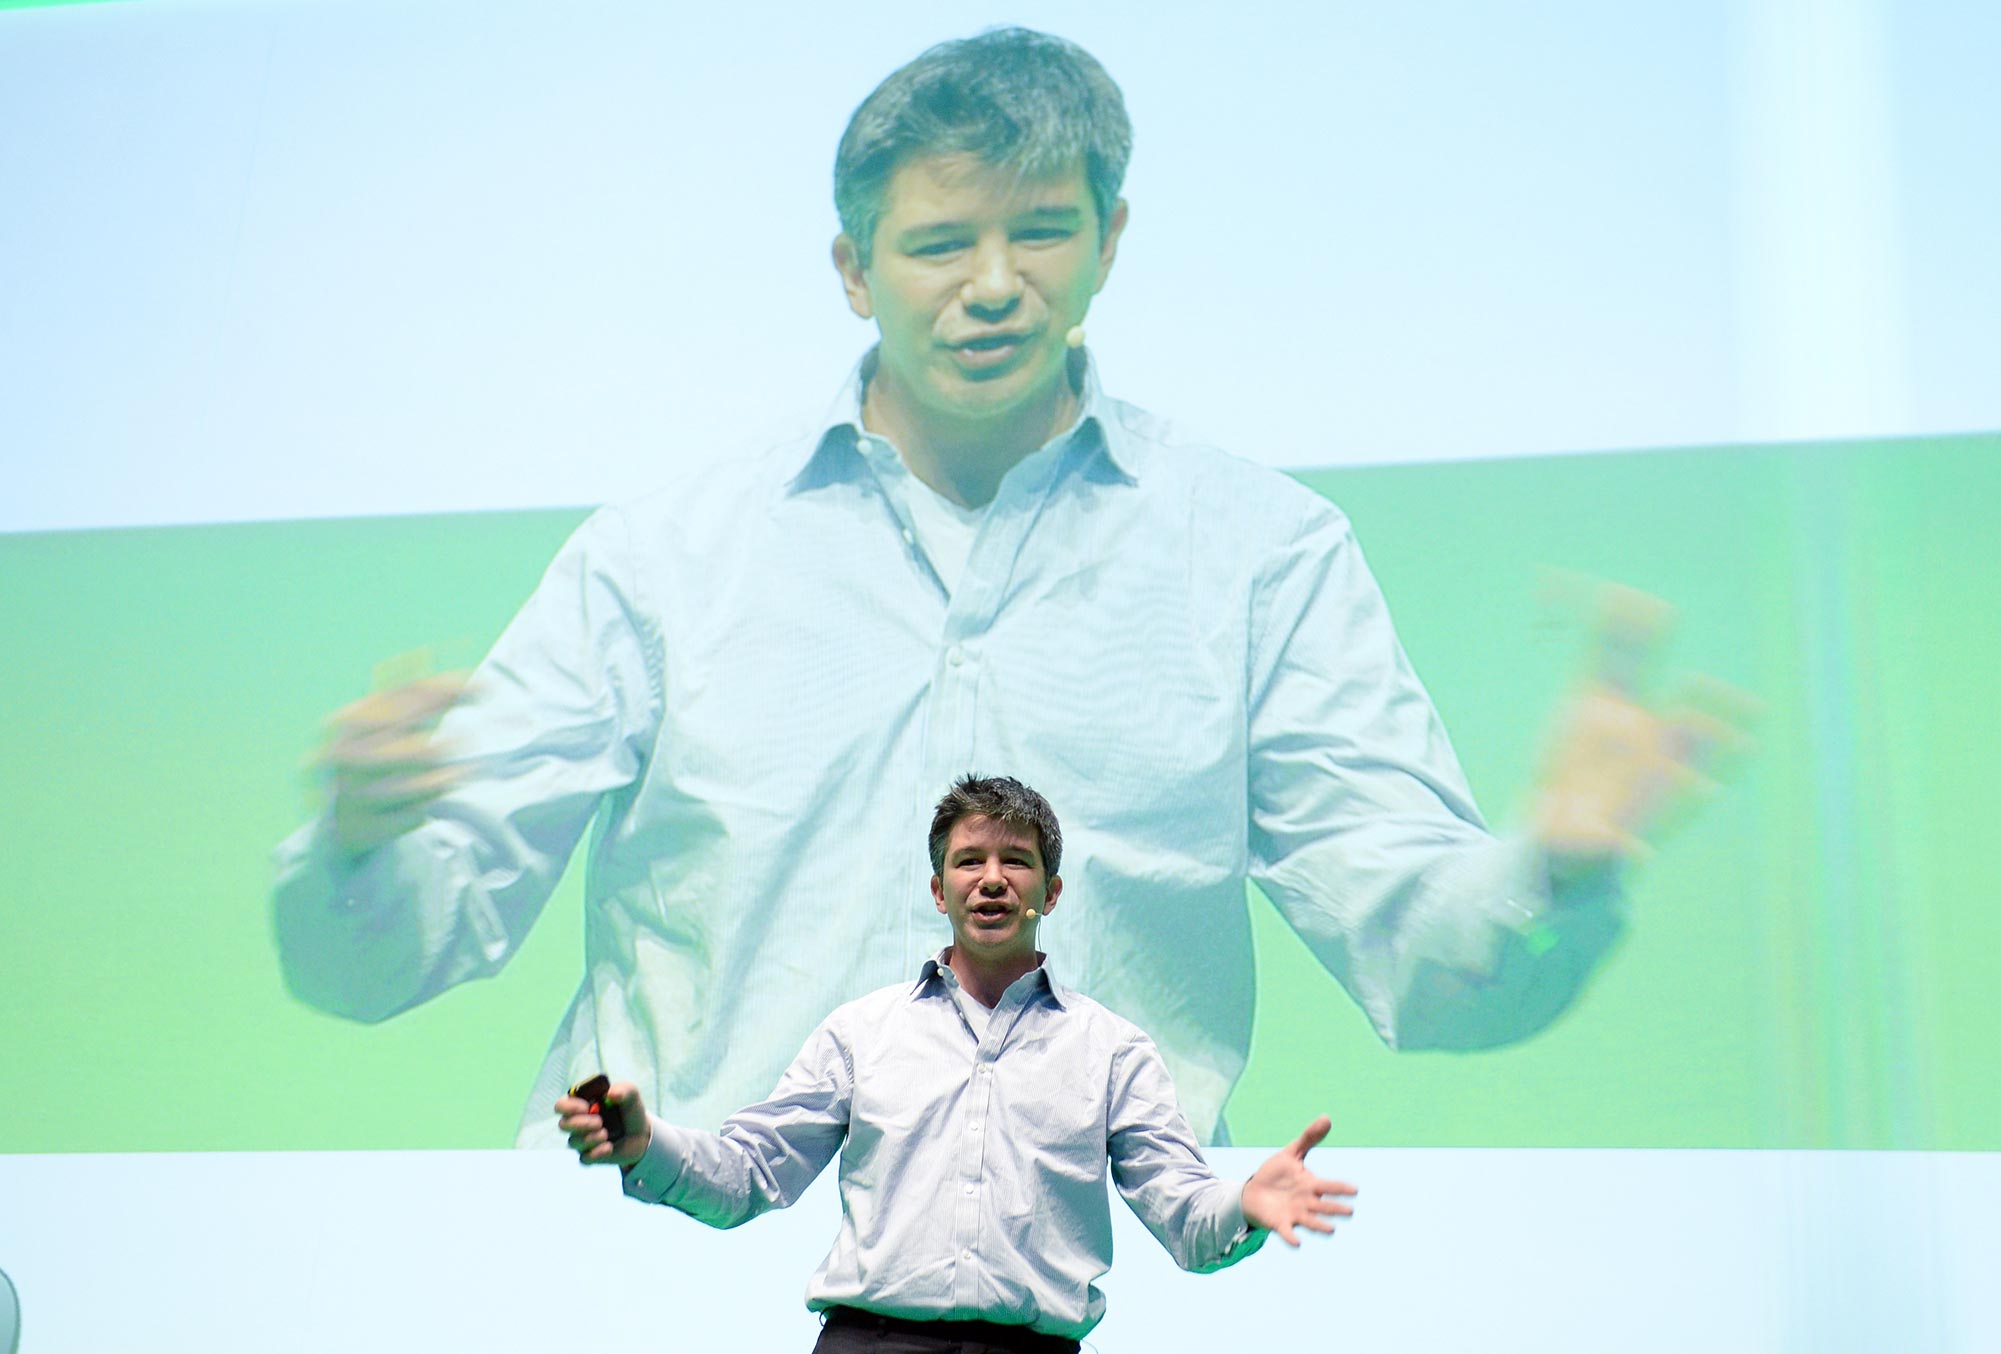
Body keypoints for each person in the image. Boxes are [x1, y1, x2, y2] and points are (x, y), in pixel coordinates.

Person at [273, 27, 1728, 1149]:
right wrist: (356, 847)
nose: (990, 283)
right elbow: (381, 960)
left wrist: (1556, 872)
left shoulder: (1262, 553)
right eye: (936, 243)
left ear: (1109, 243)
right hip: (688, 1261)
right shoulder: (659, 559)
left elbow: (1423, 956)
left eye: (1038, 232)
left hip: (1074, 1279)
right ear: (853, 269)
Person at [556, 777, 1359, 1352]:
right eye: (969, 860)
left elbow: (1184, 1216)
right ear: (939, 891)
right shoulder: (860, 1033)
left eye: (1016, 861)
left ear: (1050, 891)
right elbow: (749, 1174)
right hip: (868, 1346)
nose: (992, 880)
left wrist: (1243, 1203)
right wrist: (644, 1145)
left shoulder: (1112, 1050)